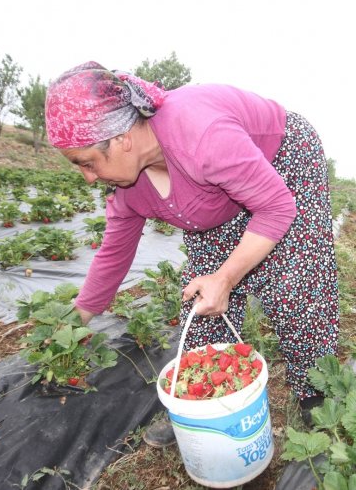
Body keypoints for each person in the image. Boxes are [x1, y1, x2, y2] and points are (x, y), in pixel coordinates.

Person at [45, 61, 340, 445]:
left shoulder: (201, 134)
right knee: (200, 303)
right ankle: (202, 404)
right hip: (211, 196)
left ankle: (315, 389)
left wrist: (227, 277)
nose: (87, 176)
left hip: (280, 159)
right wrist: (75, 319)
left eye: (87, 163)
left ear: (121, 139)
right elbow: (114, 252)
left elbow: (275, 207)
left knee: (294, 284)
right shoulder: (128, 188)